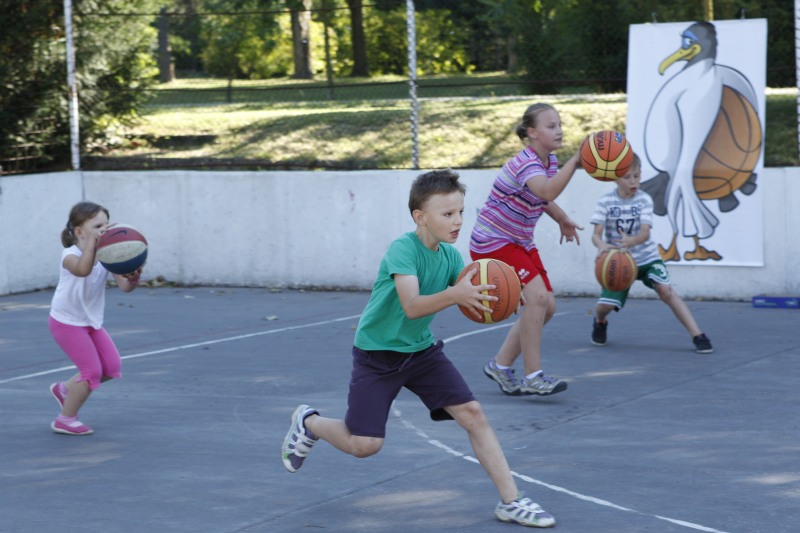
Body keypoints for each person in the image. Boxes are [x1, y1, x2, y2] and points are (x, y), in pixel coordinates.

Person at [281, 170, 556, 528]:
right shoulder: (403, 250)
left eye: (460, 212)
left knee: (473, 413)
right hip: (377, 356)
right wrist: (456, 294)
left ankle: (512, 501)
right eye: (448, 214)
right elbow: (412, 305)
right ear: (420, 217)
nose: (457, 221)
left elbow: (473, 292)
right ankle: (310, 422)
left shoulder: (451, 258)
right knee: (365, 445)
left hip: (421, 352)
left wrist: (500, 295)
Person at [471, 103, 584, 397]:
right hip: (493, 240)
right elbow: (546, 190)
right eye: (551, 126)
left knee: (547, 306)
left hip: (519, 240)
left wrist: (562, 218)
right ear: (532, 133)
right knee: (538, 298)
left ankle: (500, 365)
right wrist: (576, 161)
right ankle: (533, 376)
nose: (559, 130)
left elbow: (541, 198)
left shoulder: (549, 162)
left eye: (560, 125)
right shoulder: (527, 163)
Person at [589, 153, 714, 354]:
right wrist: (601, 245)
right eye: (627, 177)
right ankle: (599, 321)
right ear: (615, 178)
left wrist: (632, 241)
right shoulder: (605, 201)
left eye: (636, 176)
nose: (633, 181)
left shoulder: (644, 199)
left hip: (647, 258)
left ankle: (697, 334)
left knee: (667, 290)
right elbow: (596, 235)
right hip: (619, 262)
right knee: (605, 307)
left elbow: (645, 233)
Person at [48, 201, 144, 435]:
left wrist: (133, 276)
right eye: (97, 227)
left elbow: (125, 287)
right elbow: (83, 270)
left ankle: (64, 389)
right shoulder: (69, 255)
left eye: (106, 225)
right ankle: (65, 419)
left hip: (90, 321)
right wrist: (93, 244)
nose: (104, 230)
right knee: (91, 372)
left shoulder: (107, 254)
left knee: (111, 368)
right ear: (79, 232)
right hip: (66, 322)